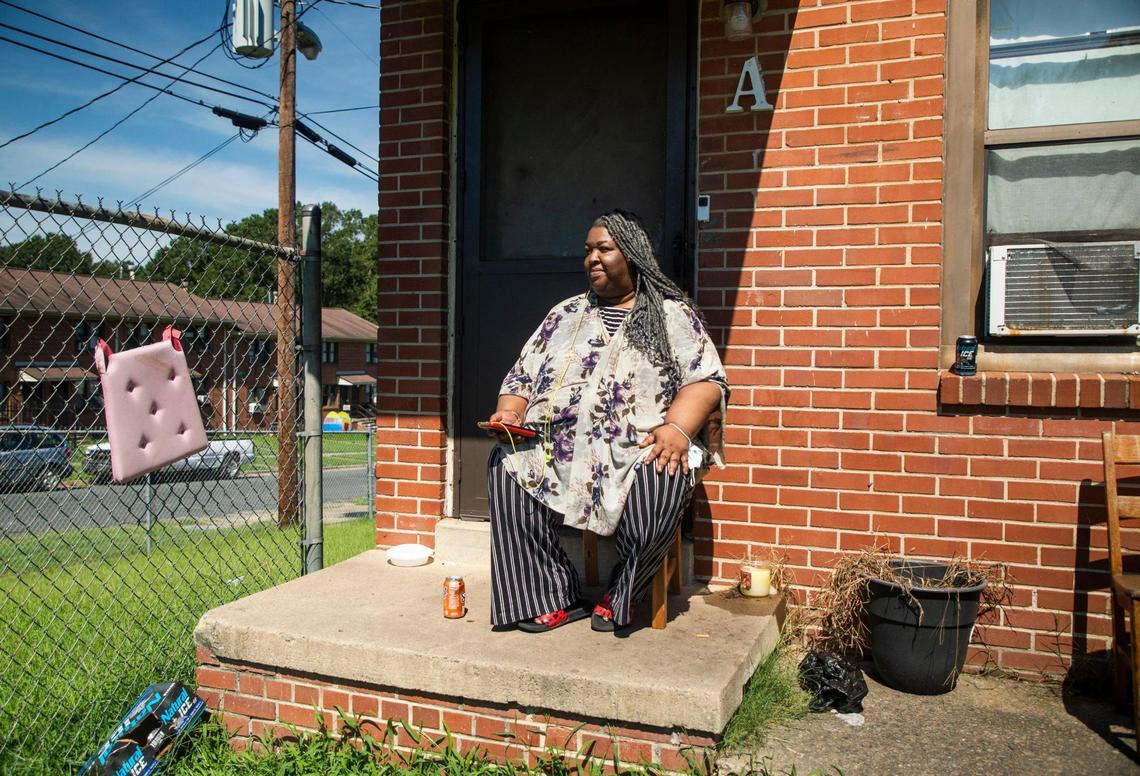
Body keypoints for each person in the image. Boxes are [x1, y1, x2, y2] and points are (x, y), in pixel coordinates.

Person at [484, 209, 728, 633]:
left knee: (661, 480)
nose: (591, 258)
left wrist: (676, 429)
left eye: (603, 248)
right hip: (556, 446)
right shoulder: (564, 315)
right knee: (504, 465)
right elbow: (521, 376)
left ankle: (625, 590)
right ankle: (550, 593)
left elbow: (706, 381)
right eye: (587, 250)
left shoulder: (671, 314)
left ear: (631, 254)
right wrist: (511, 411)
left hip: (642, 448)